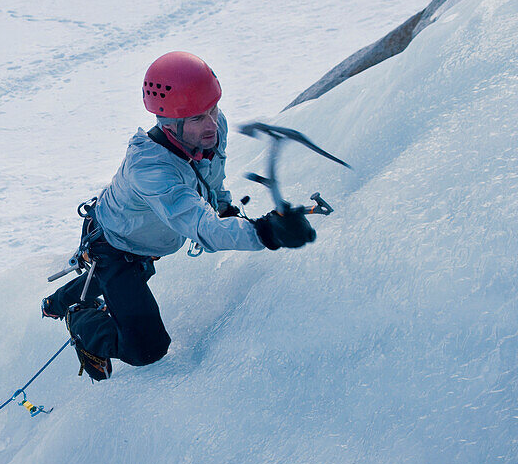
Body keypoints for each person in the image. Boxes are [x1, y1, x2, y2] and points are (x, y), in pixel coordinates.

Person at [42, 51, 317, 380]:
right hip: (114, 247)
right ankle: (78, 317)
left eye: (213, 109)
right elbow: (202, 228)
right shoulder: (151, 169)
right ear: (170, 123)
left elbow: (212, 178)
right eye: (200, 117)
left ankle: (54, 303)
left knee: (126, 282)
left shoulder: (209, 130)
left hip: (146, 240)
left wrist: (225, 208)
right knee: (147, 346)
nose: (212, 124)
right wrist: (266, 233)